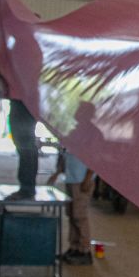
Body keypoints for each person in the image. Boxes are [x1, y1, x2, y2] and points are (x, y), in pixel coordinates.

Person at [49, 102, 104, 265]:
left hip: (82, 180)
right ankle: (74, 247)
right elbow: (66, 152)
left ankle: (84, 251)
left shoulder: (94, 134)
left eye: (80, 111)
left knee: (80, 215)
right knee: (72, 214)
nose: (76, 113)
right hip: (72, 178)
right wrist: (58, 172)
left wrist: (88, 178)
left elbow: (95, 158)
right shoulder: (75, 132)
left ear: (88, 114)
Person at [5, 98, 39, 200]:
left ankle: (27, 188)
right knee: (25, 146)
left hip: (24, 101)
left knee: (26, 146)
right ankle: (27, 187)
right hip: (21, 101)